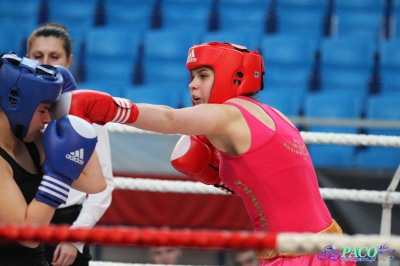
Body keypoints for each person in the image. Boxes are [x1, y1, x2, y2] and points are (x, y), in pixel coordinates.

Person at [51, 41, 356, 266]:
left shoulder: (229, 115)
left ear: (231, 77)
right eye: (192, 77)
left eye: (203, 76)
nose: (192, 85)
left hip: (299, 254)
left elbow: (170, 119)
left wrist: (110, 109)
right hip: (326, 246)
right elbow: (278, 186)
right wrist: (223, 177)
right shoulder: (273, 114)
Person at [0, 52, 105, 265]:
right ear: (18, 107)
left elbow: (95, 183)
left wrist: (74, 116)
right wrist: (57, 177)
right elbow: (28, 236)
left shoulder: (34, 144)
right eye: (43, 110)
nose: (48, 118)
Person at [27, 23, 115, 266]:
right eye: (38, 56)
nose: (46, 62)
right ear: (27, 59)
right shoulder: (16, 109)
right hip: (22, 217)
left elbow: (103, 184)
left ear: (68, 61)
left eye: (54, 56)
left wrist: (75, 236)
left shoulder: (87, 109)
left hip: (69, 221)